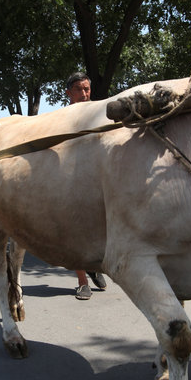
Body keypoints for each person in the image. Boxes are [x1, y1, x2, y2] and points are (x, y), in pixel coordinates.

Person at [66, 71, 108, 300]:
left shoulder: (100, 111)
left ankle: (94, 267)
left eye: (87, 89)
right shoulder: (62, 118)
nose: (84, 94)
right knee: (75, 231)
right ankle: (82, 282)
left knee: (100, 228)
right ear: (69, 93)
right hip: (72, 182)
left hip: (98, 179)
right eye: (79, 90)